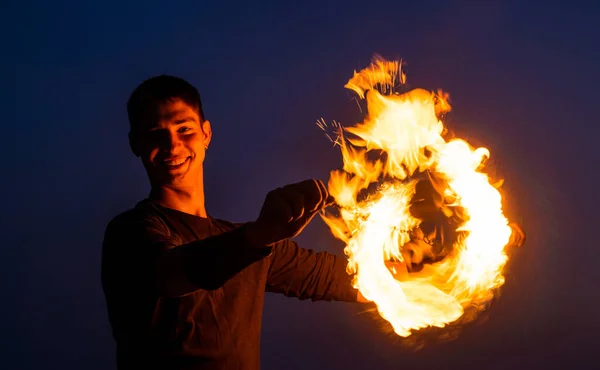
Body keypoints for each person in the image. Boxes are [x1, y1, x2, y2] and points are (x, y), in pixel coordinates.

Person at [101, 75, 373, 370]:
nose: (172, 145)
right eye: (155, 133)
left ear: (206, 135)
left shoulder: (252, 244)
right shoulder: (130, 232)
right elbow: (172, 274)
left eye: (184, 129)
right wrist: (258, 236)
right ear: (135, 143)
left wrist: (426, 269)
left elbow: (350, 280)